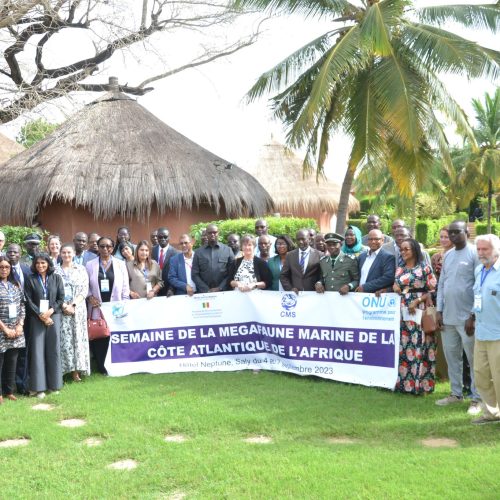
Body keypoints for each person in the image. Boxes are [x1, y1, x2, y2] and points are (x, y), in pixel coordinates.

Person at [436, 220, 481, 414]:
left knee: (474, 359)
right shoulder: (448, 256)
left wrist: (473, 315)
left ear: (467, 233)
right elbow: (441, 285)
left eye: (457, 232)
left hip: (467, 319)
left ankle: (477, 398)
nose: (453, 236)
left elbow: (479, 286)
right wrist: (438, 310)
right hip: (448, 317)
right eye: (450, 233)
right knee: (452, 357)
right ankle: (455, 393)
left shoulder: (475, 254)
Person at [393, 239, 437, 394]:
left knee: (420, 345)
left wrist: (417, 300)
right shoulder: (400, 269)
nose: (403, 252)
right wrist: (396, 287)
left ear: (415, 251)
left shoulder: (424, 268)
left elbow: (432, 290)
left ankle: (421, 386)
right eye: (402, 250)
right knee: (405, 346)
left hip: (419, 310)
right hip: (403, 310)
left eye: (407, 249)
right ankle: (405, 385)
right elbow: (398, 285)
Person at [86, 237, 130, 374]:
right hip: (96, 306)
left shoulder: (120, 264)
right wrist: (89, 297)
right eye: (102, 246)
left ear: (113, 248)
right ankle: (101, 367)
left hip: (115, 306)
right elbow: (85, 285)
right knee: (100, 335)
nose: (105, 249)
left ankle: (115, 364)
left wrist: (124, 304)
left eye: (109, 246)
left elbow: (125, 287)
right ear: (98, 248)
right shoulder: (90, 264)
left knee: (114, 334)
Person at [24, 253, 65, 398]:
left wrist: (50, 311)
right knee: (38, 351)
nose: (40, 266)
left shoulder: (56, 278)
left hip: (54, 317)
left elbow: (61, 298)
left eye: (43, 263)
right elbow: (28, 300)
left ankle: (54, 386)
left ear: (48, 263)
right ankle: (39, 388)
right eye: (37, 263)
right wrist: (41, 315)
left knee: (53, 350)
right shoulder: (30, 279)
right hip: (36, 319)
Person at [471, 234, 500, 424]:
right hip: (481, 332)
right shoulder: (479, 269)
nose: (481, 253)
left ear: (496, 250)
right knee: (481, 375)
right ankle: (491, 413)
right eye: (479, 249)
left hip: (498, 334)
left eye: (485, 249)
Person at [55, 244, 90, 382]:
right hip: (61, 309)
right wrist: (64, 305)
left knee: (77, 340)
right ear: (60, 254)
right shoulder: (55, 271)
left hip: (78, 309)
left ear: (74, 253)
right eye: (63, 252)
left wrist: (73, 304)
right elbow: (54, 291)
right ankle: (64, 370)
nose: (66, 255)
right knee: (64, 340)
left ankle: (76, 372)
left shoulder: (81, 269)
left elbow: (84, 290)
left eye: (69, 252)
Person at [5, 244, 31, 394]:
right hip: (7, 319)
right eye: (10, 252)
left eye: (15, 252)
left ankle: (22, 384)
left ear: (20, 254)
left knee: (23, 351)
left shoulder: (27, 269)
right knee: (8, 353)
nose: (12, 254)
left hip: (27, 316)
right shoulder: (3, 270)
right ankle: (8, 386)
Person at [0, 256, 25, 403]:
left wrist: (20, 325)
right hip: (2, 332)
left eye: (6, 267)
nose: (4, 270)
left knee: (12, 362)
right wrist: (4, 329)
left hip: (16, 331)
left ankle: (9, 391)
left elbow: (22, 306)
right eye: (1, 267)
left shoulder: (14, 286)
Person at [192, 224, 234, 293]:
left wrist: (220, 287)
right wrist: (206, 289)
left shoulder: (228, 250)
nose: (212, 234)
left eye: (215, 232)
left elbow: (231, 273)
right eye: (210, 233)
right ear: (206, 234)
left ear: (218, 233)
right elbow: (194, 274)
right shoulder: (198, 252)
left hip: (224, 292)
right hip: (204, 293)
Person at [152, 227, 178, 296]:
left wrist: (171, 289)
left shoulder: (175, 253)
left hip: (169, 290)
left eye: (165, 237)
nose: (163, 239)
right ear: (157, 237)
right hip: (154, 290)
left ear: (169, 237)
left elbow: (176, 273)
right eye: (160, 237)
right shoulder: (152, 251)